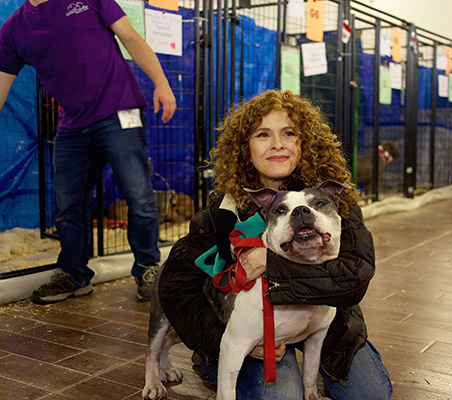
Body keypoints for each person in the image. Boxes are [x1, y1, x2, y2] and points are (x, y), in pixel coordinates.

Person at [158, 89, 393, 399]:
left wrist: (270, 264)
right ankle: (208, 359)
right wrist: (218, 340)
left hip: (325, 324)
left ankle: (314, 363)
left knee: (371, 395)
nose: (278, 144)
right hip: (256, 331)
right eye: (262, 135)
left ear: (305, 141)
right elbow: (175, 286)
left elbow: (355, 275)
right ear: (245, 148)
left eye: (289, 133)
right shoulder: (224, 211)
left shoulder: (332, 201)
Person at [0, 0, 177, 303]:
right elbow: (2, 82)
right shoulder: (14, 27)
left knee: (139, 197)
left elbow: (130, 37)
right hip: (72, 124)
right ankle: (74, 275)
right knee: (70, 205)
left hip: (119, 112)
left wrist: (161, 82)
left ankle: (147, 268)